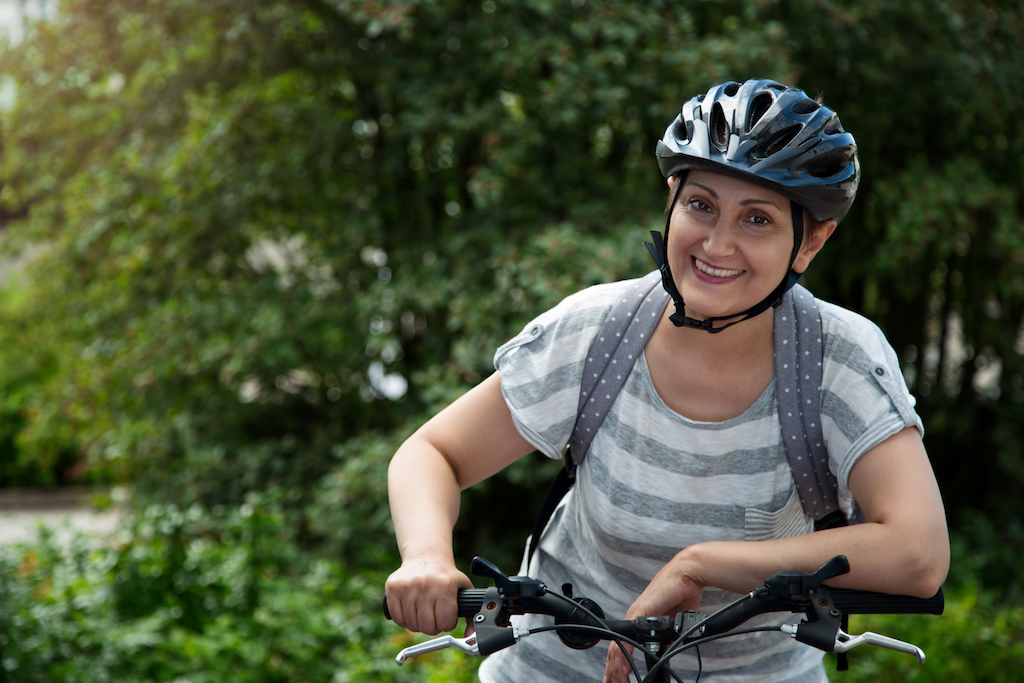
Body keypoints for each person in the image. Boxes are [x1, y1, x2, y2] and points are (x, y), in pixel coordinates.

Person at [384, 78, 949, 683]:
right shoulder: (598, 331)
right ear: (671, 201)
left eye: (757, 219)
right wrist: (426, 559)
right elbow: (432, 452)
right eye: (701, 205)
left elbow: (917, 555)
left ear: (810, 241)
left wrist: (700, 566)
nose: (717, 243)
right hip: (555, 667)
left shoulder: (837, 359)